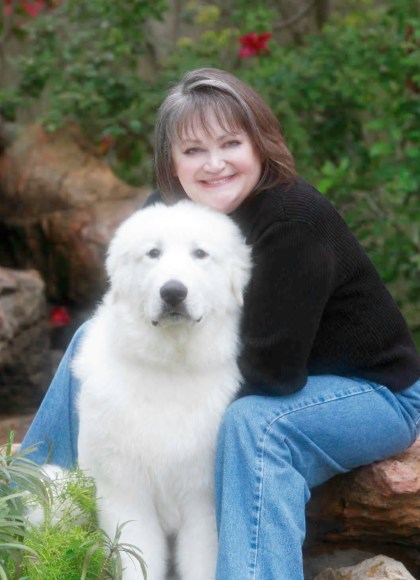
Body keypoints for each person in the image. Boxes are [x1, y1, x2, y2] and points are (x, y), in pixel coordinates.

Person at [21, 68, 420, 579]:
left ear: (260, 145)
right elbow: (129, 319)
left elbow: (273, 375)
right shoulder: (168, 215)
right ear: (171, 161)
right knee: (92, 341)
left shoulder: (294, 221)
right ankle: (24, 502)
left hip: (372, 393)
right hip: (278, 377)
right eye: (193, 150)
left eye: (231, 143)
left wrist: (167, 417)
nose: (214, 164)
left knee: (256, 425)